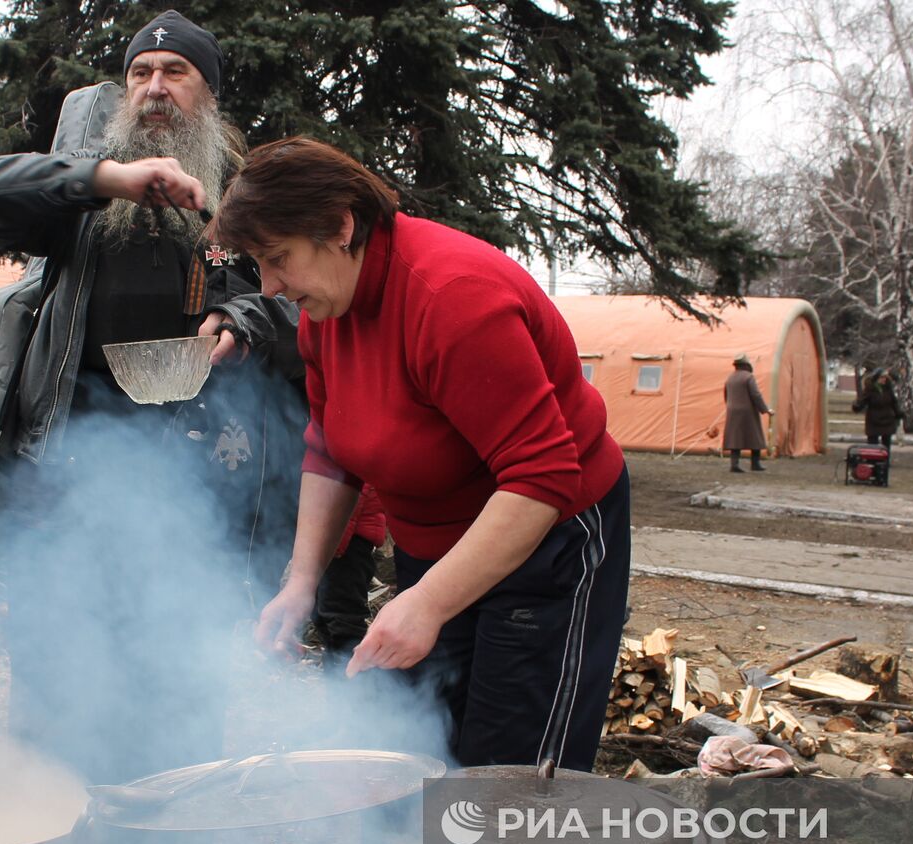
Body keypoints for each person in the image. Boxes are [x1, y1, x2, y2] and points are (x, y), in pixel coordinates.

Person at [0, 11, 303, 844]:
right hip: (66, 491)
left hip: (195, 496)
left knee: (178, 692)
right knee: (55, 684)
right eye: (142, 72)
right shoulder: (81, 195)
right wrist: (109, 177)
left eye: (176, 74)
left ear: (207, 93)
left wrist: (243, 325)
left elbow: (293, 303)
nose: (156, 87)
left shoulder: (237, 197)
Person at [210, 136, 631, 773]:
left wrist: (429, 604)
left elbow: (543, 476)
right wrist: (301, 583)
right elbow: (331, 446)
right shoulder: (329, 307)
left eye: (276, 259)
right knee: (413, 753)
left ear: (341, 227)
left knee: (507, 773)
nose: (268, 286)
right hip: (431, 544)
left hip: (549, 545)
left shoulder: (451, 297)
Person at [310, 483, 387, 651]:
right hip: (327, 538)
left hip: (350, 541)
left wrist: (335, 544)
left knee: (341, 615)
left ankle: (350, 670)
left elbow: (356, 491)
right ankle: (336, 669)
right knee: (319, 612)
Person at [720, 353, 773, 472]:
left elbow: (726, 395)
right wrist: (765, 409)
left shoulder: (730, 377)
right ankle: (755, 464)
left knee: (735, 438)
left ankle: (734, 464)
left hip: (732, 411)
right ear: (747, 364)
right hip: (748, 412)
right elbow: (755, 395)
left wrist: (730, 406)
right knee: (755, 437)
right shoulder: (749, 377)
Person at [851, 367, 902, 452]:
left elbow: (894, 402)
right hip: (873, 419)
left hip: (887, 419)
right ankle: (873, 460)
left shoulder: (888, 388)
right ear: (876, 378)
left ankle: (884, 462)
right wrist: (857, 406)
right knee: (872, 444)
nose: (884, 379)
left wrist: (899, 413)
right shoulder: (870, 389)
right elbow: (863, 401)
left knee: (886, 444)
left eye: (885, 377)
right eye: (881, 377)